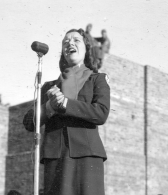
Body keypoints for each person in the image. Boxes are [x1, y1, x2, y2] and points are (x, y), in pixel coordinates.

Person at [23, 28, 110, 195]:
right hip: (56, 157)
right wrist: (49, 107)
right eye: (65, 42)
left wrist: (66, 104)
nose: (70, 43)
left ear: (86, 49)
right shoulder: (49, 87)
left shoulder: (97, 79)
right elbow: (28, 122)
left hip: (87, 156)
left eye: (76, 40)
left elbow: (101, 112)